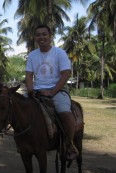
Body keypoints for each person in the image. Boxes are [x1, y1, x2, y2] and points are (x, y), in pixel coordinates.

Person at [25, 24, 78, 160]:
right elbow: (29, 76)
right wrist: (30, 90)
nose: (41, 37)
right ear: (35, 38)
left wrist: (53, 91)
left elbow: (65, 74)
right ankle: (22, 142)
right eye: (38, 35)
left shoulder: (59, 53)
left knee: (65, 114)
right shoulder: (32, 55)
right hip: (36, 90)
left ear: (50, 36)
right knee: (17, 108)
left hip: (57, 90)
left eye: (44, 34)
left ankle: (68, 144)